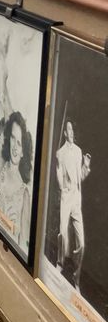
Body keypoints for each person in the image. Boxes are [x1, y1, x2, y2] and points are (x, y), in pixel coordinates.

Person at [55, 118, 92, 289]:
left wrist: (86, 166)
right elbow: (59, 175)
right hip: (66, 197)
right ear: (65, 133)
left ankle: (76, 277)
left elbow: (80, 178)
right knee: (63, 233)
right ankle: (60, 263)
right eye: (68, 130)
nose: (71, 133)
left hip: (76, 199)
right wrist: (63, 187)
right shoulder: (60, 153)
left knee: (81, 243)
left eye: (72, 130)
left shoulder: (78, 151)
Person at [0, 110, 33, 248]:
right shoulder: (1, 168)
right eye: (13, 138)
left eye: (19, 143)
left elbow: (23, 243)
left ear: (23, 151)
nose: (15, 148)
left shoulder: (24, 193)